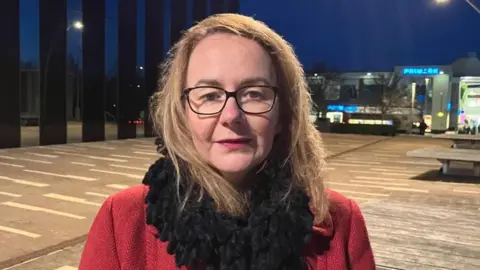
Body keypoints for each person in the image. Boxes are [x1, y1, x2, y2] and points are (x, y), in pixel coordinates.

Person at [79, 13, 375, 270]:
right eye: (209, 95)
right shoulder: (121, 221)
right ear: (182, 114)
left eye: (255, 93)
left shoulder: (341, 221)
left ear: (285, 112)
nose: (231, 115)